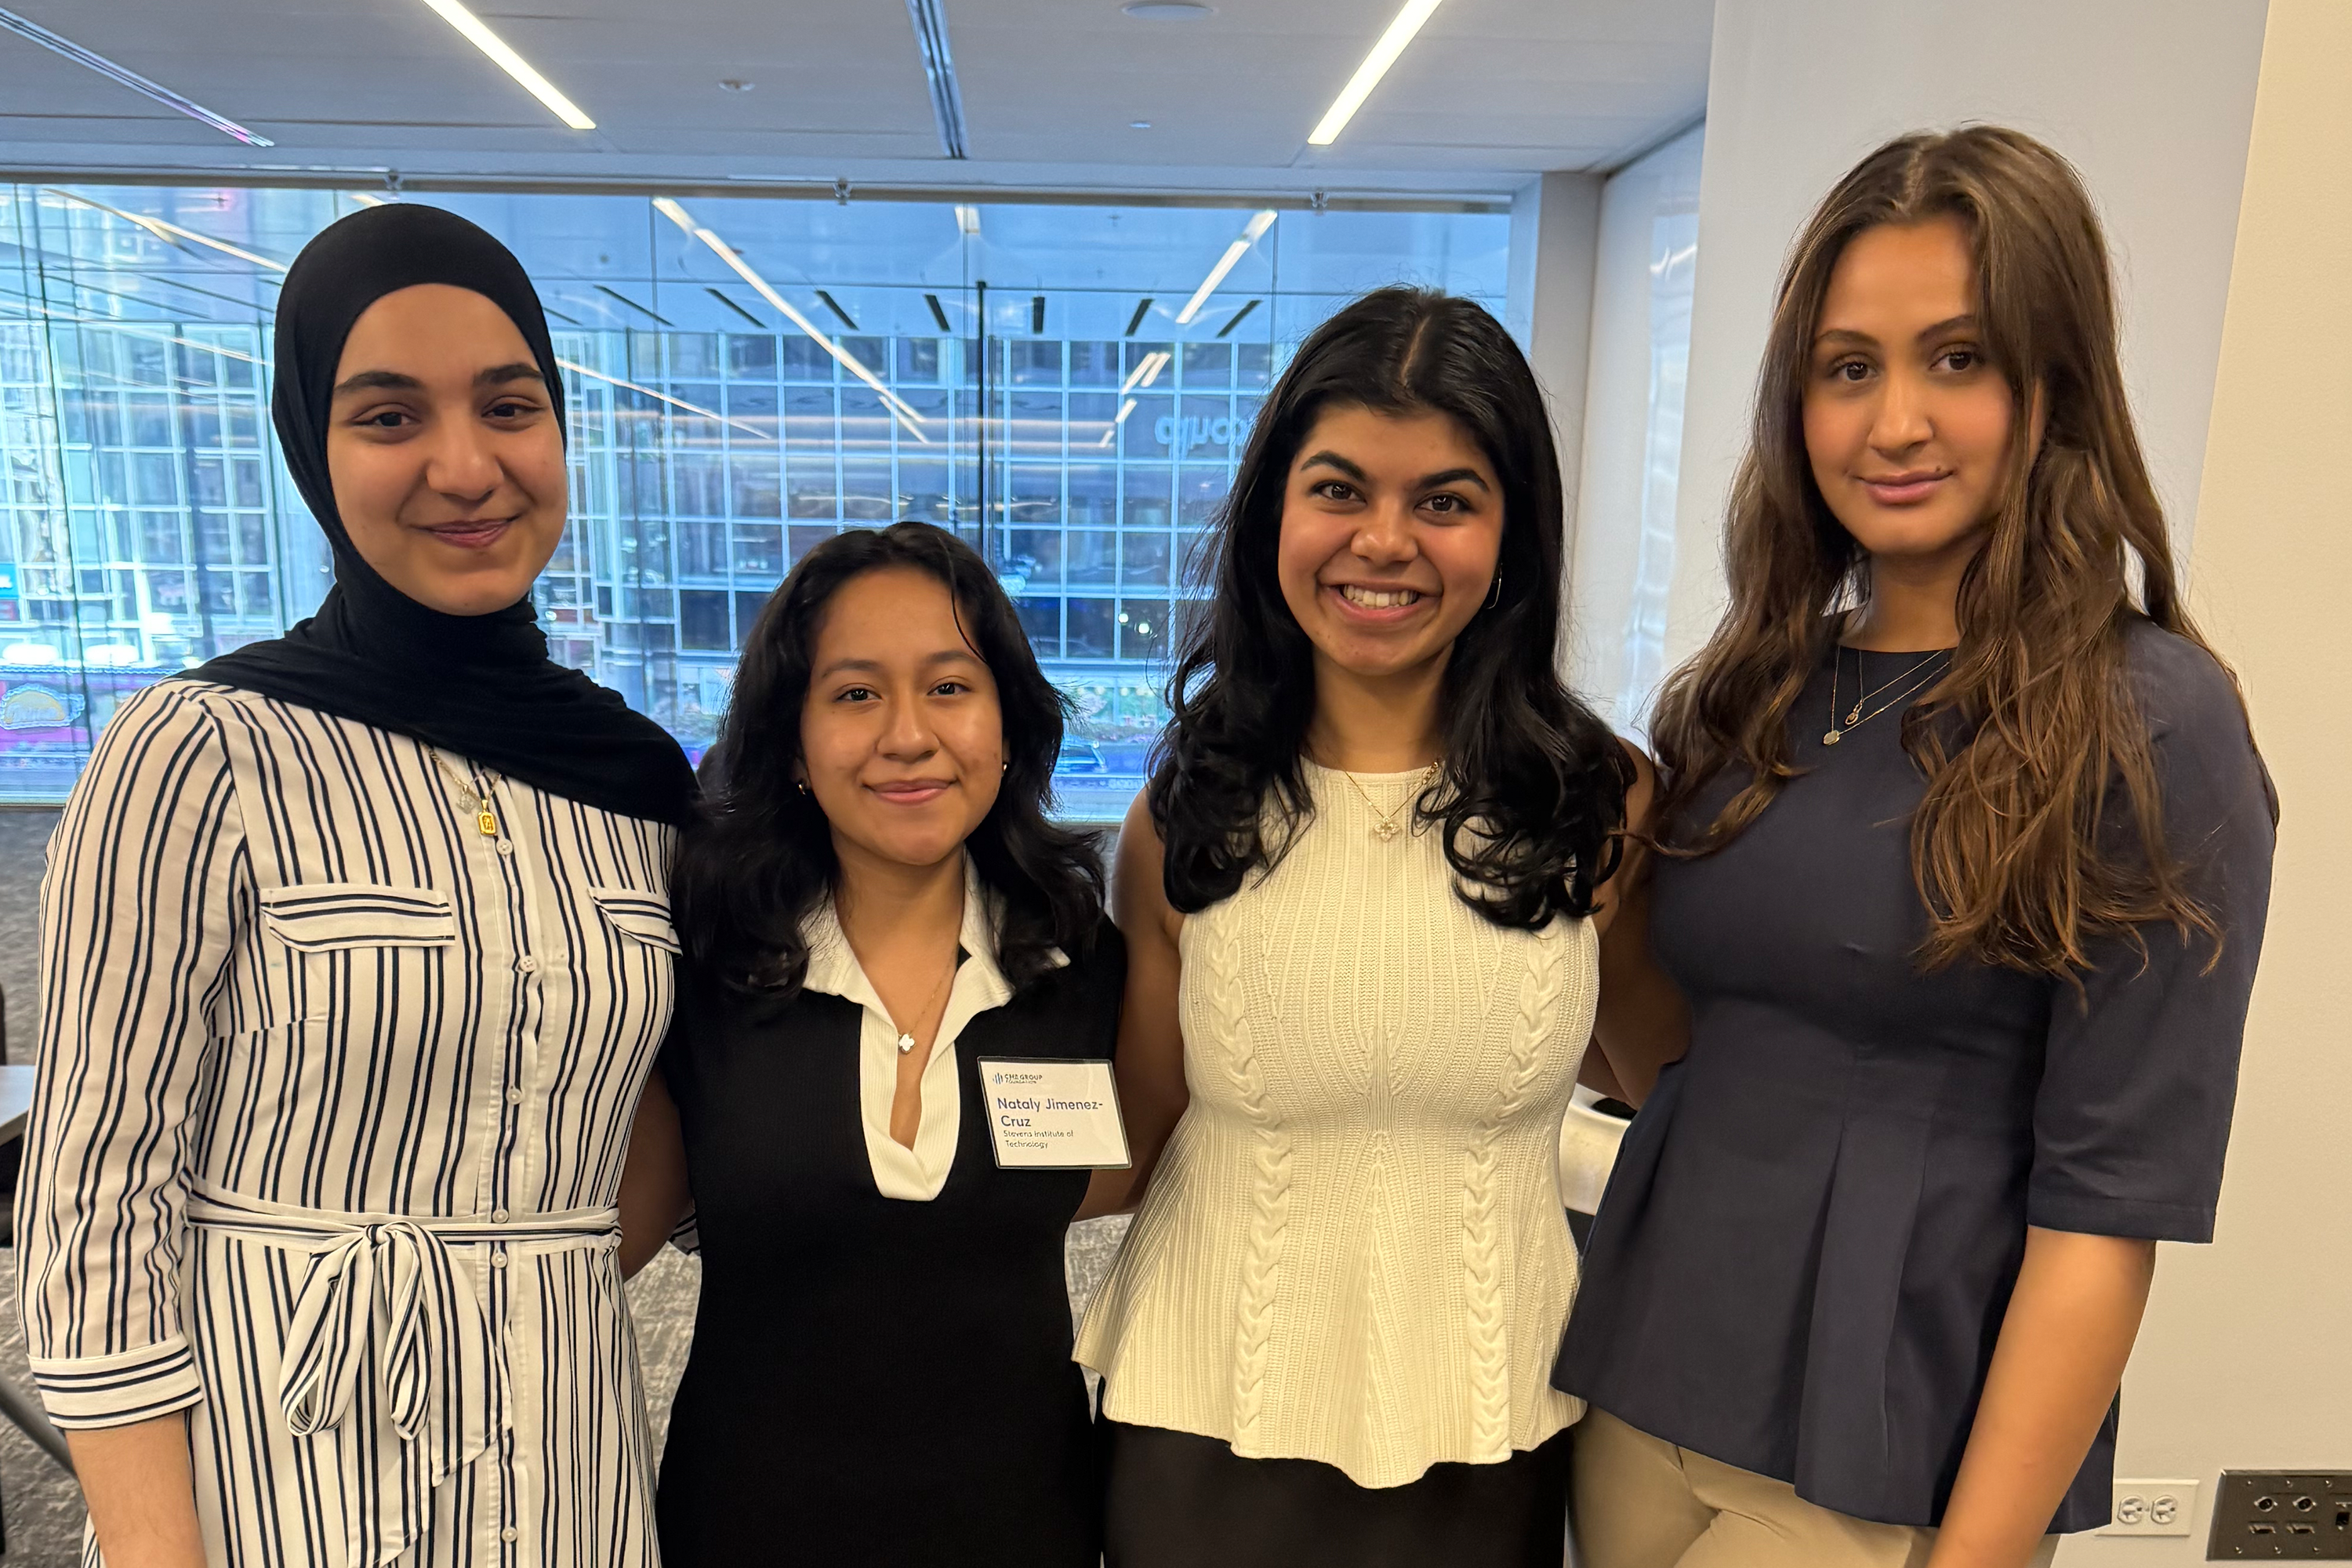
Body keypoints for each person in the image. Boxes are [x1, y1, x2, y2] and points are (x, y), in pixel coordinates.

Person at [1554, 127, 2276, 1568]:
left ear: (2054, 382)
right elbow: (1679, 1065)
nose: (1895, 423)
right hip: (1636, 1389)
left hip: (1885, 1455)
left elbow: (2103, 1218)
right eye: (1849, 367)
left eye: (1959, 359)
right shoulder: (1748, 691)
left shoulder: (2152, 722)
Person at [13, 202, 696, 1568]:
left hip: (567, 1459)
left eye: (509, 406)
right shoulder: (200, 750)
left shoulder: (630, 783)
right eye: (388, 417)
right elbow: (95, 1199)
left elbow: (656, 1129)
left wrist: (500, 1281)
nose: (464, 466)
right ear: (311, 454)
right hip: (270, 1478)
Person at [1073, 287, 1664, 1568]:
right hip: (1201, 1419)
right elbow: (1131, 1131)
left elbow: (1673, 1087)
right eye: (1339, 490)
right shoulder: (1182, 818)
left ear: (1512, 537)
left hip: (1488, 1423)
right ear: (1273, 515)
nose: (1383, 542)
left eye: (1444, 500)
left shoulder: (1597, 801)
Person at [620, 521, 1127, 1568]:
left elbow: (1137, 1172)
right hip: (748, 1520)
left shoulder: (1081, 964)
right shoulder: (704, 965)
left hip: (1022, 1522)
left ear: (1007, 723)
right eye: (855, 694)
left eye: (949, 687)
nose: (908, 734)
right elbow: (621, 1224)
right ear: (794, 739)